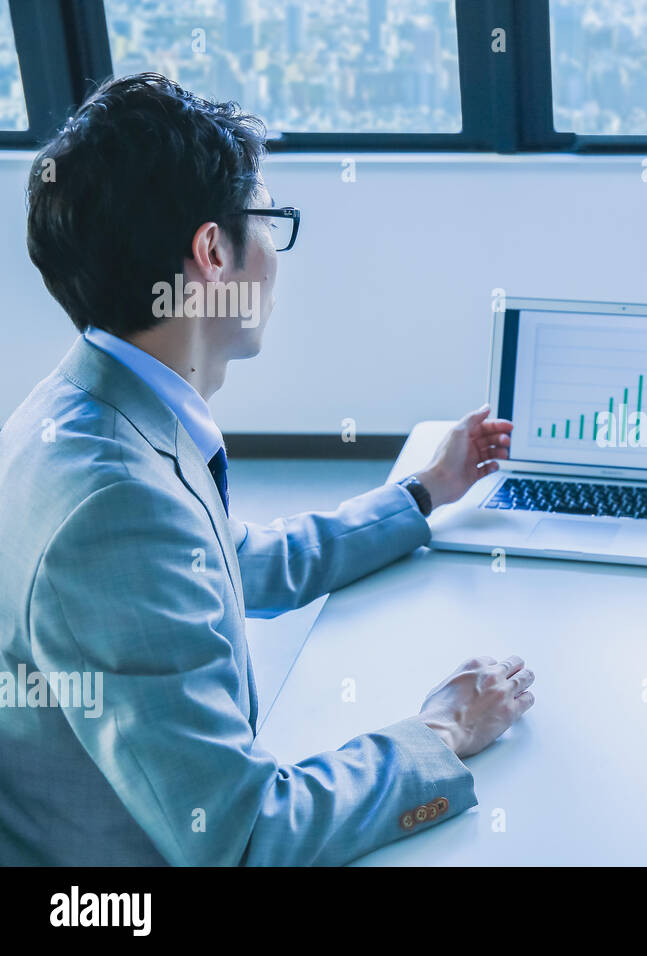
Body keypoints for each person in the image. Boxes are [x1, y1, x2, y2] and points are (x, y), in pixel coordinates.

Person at [0, 73, 534, 865]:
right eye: (268, 223)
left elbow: (236, 561)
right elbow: (246, 835)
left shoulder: (85, 401)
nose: (276, 260)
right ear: (212, 252)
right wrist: (443, 731)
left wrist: (425, 491)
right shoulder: (113, 506)